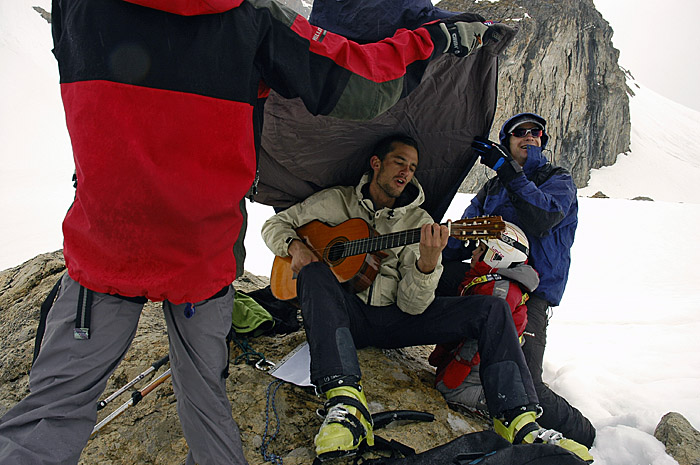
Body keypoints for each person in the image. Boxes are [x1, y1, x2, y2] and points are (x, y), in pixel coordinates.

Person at [0, 1, 507, 463]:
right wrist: (435, 39)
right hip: (203, 255)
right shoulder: (254, 19)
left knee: (50, 414)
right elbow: (357, 82)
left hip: (107, 245)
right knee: (208, 411)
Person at [261, 135, 593, 462]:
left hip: (396, 319)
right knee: (315, 273)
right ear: (376, 163)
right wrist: (296, 247)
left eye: (413, 167)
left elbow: (412, 306)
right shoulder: (336, 201)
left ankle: (516, 419)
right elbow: (276, 225)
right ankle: (346, 404)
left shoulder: (419, 222)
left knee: (491, 309)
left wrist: (426, 265)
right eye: (399, 162)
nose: (406, 172)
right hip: (347, 317)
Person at [442, 112, 597, 448]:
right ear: (506, 142)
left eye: (536, 132)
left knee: (526, 384)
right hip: (485, 281)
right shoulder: (493, 187)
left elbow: (543, 216)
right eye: (519, 132)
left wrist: (509, 172)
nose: (529, 136)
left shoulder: (557, 179)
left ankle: (585, 432)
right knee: (433, 280)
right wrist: (433, 254)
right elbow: (464, 235)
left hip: (532, 294)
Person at [429, 222, 539, 417]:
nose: (473, 253)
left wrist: (455, 374)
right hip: (481, 356)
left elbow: (478, 341)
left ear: (498, 255)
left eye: (480, 249)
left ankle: (492, 400)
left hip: (485, 360)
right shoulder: (487, 280)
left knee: (449, 389)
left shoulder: (499, 291)